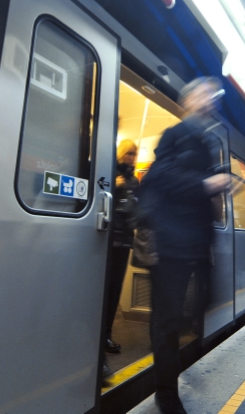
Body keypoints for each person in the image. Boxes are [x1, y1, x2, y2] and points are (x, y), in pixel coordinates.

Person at [139, 77, 232, 414]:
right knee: (166, 320)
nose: (212, 100)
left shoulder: (206, 142)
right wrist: (207, 182)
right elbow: (158, 177)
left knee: (200, 306)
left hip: (195, 244)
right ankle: (166, 393)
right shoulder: (175, 134)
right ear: (189, 99)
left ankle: (174, 367)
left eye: (213, 95)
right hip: (171, 244)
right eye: (205, 93)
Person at [100, 140, 140, 380]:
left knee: (114, 292)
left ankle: (106, 335)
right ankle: (98, 338)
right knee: (103, 292)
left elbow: (135, 212)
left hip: (124, 241)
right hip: (107, 242)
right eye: (128, 153)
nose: (132, 158)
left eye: (135, 154)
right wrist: (115, 188)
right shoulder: (108, 172)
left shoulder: (134, 180)